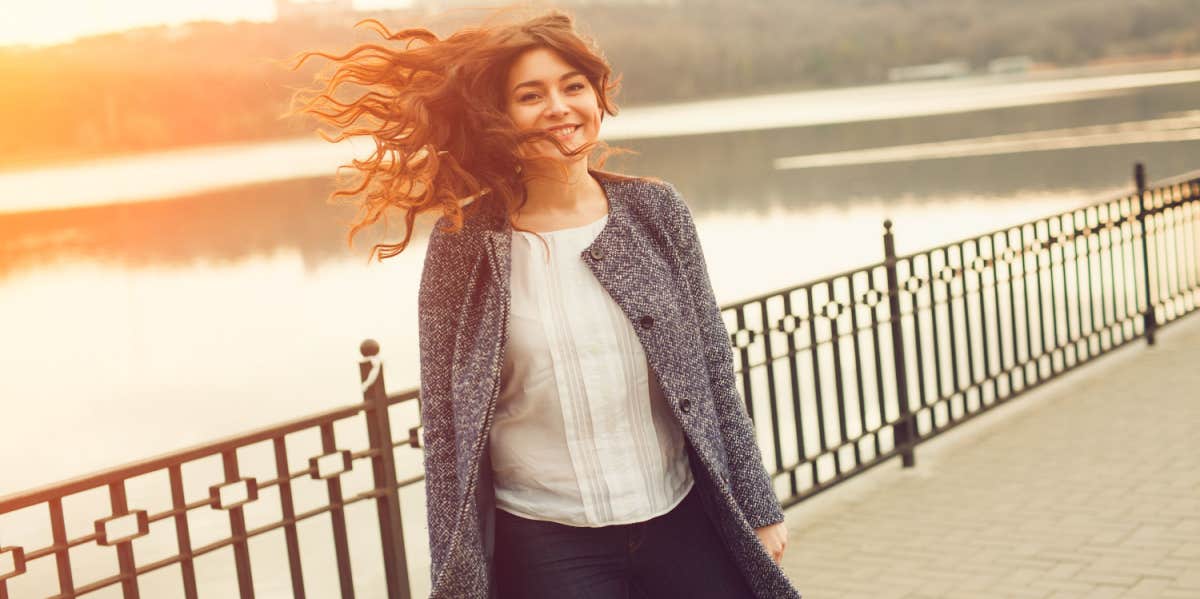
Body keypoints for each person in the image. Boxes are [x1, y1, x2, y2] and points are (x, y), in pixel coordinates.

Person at [294, 9, 800, 599]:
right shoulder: (465, 245)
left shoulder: (656, 214)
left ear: (598, 96)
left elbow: (713, 368)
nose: (559, 107)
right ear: (498, 118)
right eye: (530, 95)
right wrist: (453, 575)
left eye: (573, 87)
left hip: (681, 517)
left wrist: (759, 505)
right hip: (546, 542)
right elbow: (446, 424)